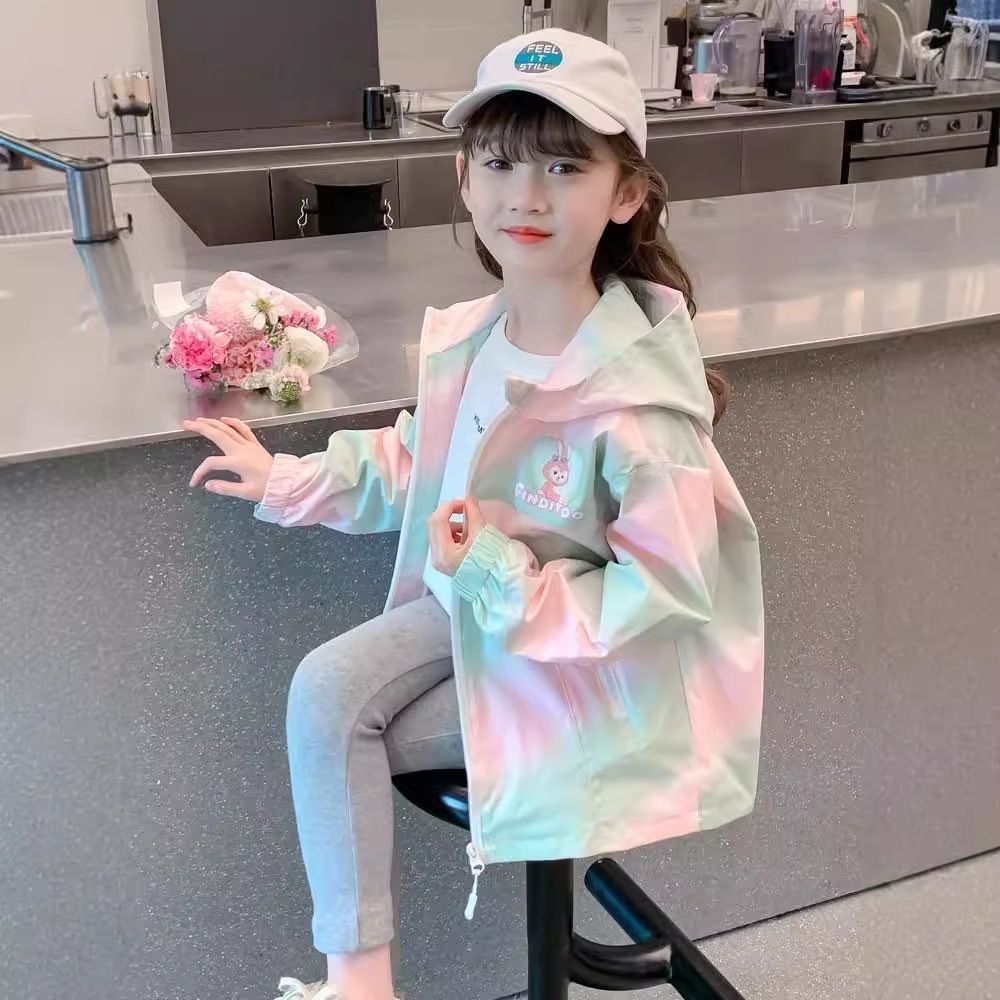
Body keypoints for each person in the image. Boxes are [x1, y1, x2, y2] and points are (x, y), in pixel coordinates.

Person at [182, 28, 765, 1000]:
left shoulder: (637, 405)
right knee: (323, 690)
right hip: (468, 613)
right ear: (462, 178)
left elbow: (663, 596)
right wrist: (288, 479)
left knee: (341, 725)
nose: (524, 195)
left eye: (563, 167)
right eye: (498, 163)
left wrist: (495, 570)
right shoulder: (481, 335)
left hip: (578, 668)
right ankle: (361, 984)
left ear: (625, 193)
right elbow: (421, 459)